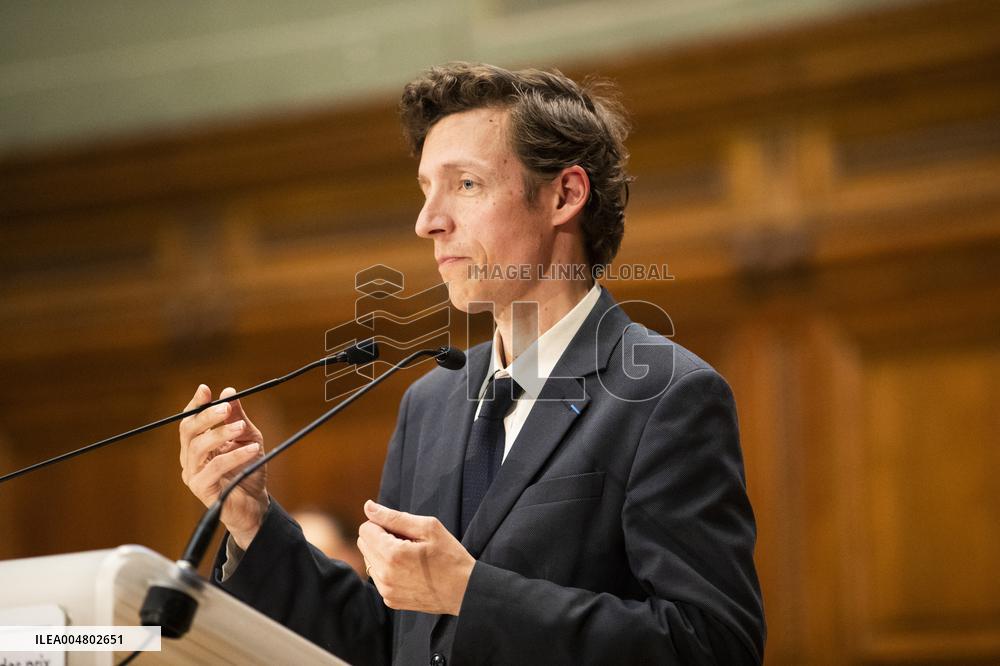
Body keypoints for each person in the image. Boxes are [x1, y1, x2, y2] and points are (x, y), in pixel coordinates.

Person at [178, 62, 765, 665]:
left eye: (465, 185)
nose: (428, 221)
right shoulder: (431, 403)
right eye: (425, 189)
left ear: (564, 195)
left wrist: (471, 592)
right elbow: (388, 640)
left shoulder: (667, 393)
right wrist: (252, 521)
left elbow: (714, 647)